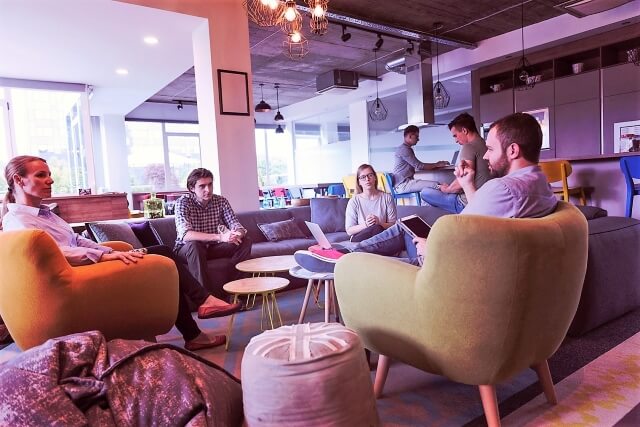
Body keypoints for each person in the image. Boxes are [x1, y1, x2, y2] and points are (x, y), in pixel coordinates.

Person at [2, 155, 241, 352]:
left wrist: (106, 250)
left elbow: (76, 240)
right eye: (41, 175)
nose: (50, 180)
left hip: (92, 266)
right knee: (164, 256)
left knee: (164, 256)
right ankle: (202, 307)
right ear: (19, 180)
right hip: (78, 278)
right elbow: (58, 253)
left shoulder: (47, 214)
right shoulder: (17, 220)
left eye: (49, 174)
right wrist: (105, 257)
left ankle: (196, 325)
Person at [296, 112, 558, 273]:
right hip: (473, 257)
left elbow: (459, 232)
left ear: (512, 151)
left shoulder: (502, 188)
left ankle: (345, 258)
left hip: (445, 266)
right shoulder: (541, 186)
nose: (486, 156)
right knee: (406, 227)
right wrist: (466, 184)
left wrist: (428, 245)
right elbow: (480, 219)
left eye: (490, 149)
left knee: (404, 230)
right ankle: (344, 252)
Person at [174, 168, 252, 300]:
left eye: (210, 184)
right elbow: (186, 235)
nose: (208, 190)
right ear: (192, 188)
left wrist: (236, 234)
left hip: (212, 248)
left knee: (245, 241)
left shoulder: (220, 201)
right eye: (202, 186)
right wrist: (221, 237)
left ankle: (235, 293)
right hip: (187, 249)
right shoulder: (183, 202)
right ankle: (207, 300)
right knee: (195, 245)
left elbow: (237, 225)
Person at [420, 113, 491, 213]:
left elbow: (462, 181)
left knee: (425, 192)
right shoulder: (486, 144)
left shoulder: (469, 146)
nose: (456, 140)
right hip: (486, 202)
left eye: (455, 136)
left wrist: (447, 189)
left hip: (465, 203)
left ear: (464, 130)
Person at [345, 164, 397, 242]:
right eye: (363, 177)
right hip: (361, 237)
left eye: (370, 175)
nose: (367, 179)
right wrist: (366, 224)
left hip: (381, 235)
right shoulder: (354, 201)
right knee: (376, 228)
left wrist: (379, 223)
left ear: (375, 177)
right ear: (359, 182)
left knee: (378, 228)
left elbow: (393, 225)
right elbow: (349, 230)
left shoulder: (387, 198)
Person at [392, 125, 450, 195]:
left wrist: (435, 165)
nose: (418, 139)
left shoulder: (404, 148)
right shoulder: (404, 149)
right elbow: (419, 166)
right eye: (417, 137)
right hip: (402, 185)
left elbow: (417, 165)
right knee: (435, 185)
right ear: (410, 136)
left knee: (432, 186)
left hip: (404, 183)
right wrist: (437, 164)